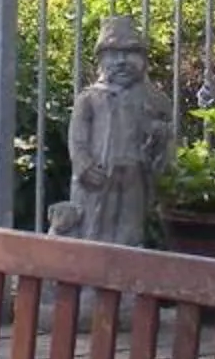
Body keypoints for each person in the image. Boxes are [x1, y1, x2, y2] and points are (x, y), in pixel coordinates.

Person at [53, 14, 168, 245]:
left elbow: (168, 135)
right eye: (114, 54)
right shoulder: (90, 98)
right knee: (92, 228)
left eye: (130, 53)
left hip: (134, 177)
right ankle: (90, 278)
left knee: (130, 231)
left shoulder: (154, 99)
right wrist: (84, 165)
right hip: (97, 178)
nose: (122, 61)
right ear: (100, 59)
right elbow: (77, 140)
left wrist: (160, 135)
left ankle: (124, 276)